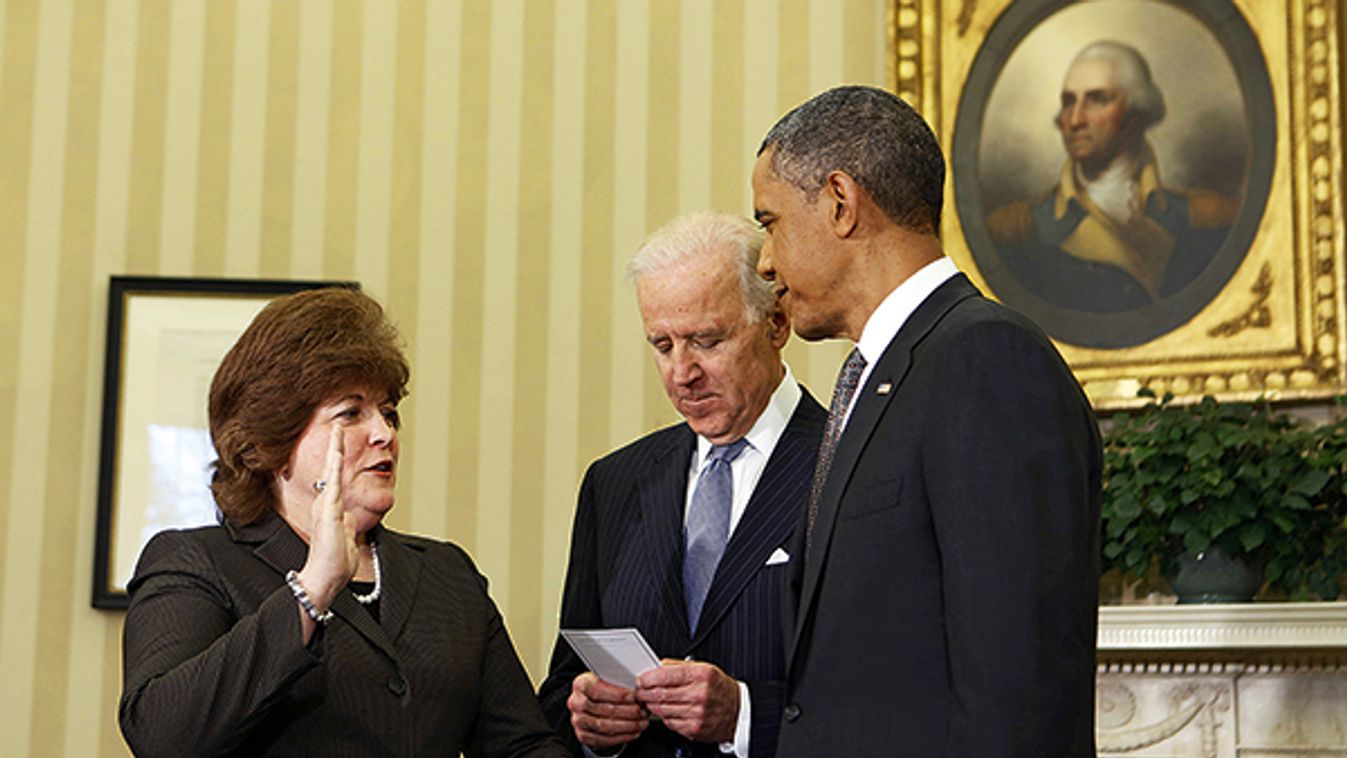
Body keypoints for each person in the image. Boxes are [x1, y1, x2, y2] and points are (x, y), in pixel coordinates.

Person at [753, 86, 1101, 756]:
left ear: (838, 201)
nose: (765, 262)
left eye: (768, 222)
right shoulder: (885, 377)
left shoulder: (985, 361)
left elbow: (1016, 685)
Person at [119, 288, 568, 757]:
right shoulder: (196, 562)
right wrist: (314, 587)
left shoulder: (448, 574)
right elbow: (162, 736)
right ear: (275, 440)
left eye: (389, 413)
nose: (384, 434)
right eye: (351, 413)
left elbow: (522, 745)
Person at [538, 212, 826, 758]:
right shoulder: (614, 483)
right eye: (663, 345)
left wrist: (745, 714)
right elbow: (560, 689)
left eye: (707, 341)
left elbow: (886, 693)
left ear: (777, 322)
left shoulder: (847, 466)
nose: (682, 373)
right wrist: (588, 720)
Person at [986, 40, 1239, 312]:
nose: (1074, 120)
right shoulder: (1017, 230)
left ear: (1135, 112)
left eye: (1097, 100)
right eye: (1069, 102)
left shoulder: (1209, 218)